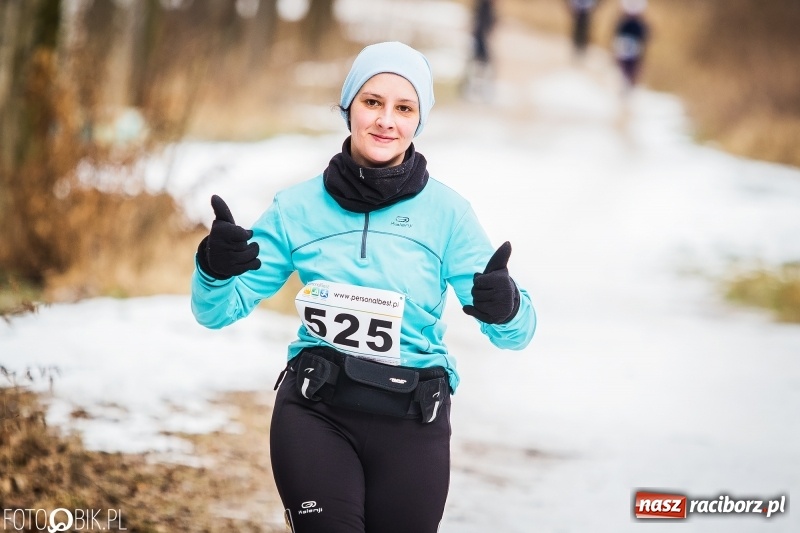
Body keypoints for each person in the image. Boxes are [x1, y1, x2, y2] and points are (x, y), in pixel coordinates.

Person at [190, 41, 536, 533]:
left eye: (404, 108)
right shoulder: (297, 208)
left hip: (413, 420)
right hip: (316, 412)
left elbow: (516, 334)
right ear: (349, 106)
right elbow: (216, 311)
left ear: (419, 120)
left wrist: (507, 308)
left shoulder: (448, 216)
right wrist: (213, 267)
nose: (385, 121)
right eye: (372, 102)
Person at [462, 0, 497, 101]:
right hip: (480, 36)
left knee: (481, 64)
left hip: (481, 37)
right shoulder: (484, 5)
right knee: (477, 64)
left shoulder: (487, 6)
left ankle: (483, 90)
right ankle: (475, 90)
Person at [613, 0, 649, 91]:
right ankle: (624, 86)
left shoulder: (639, 25)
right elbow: (617, 36)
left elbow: (643, 39)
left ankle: (629, 88)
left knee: (631, 69)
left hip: (634, 50)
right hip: (624, 49)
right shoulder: (623, 23)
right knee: (623, 69)